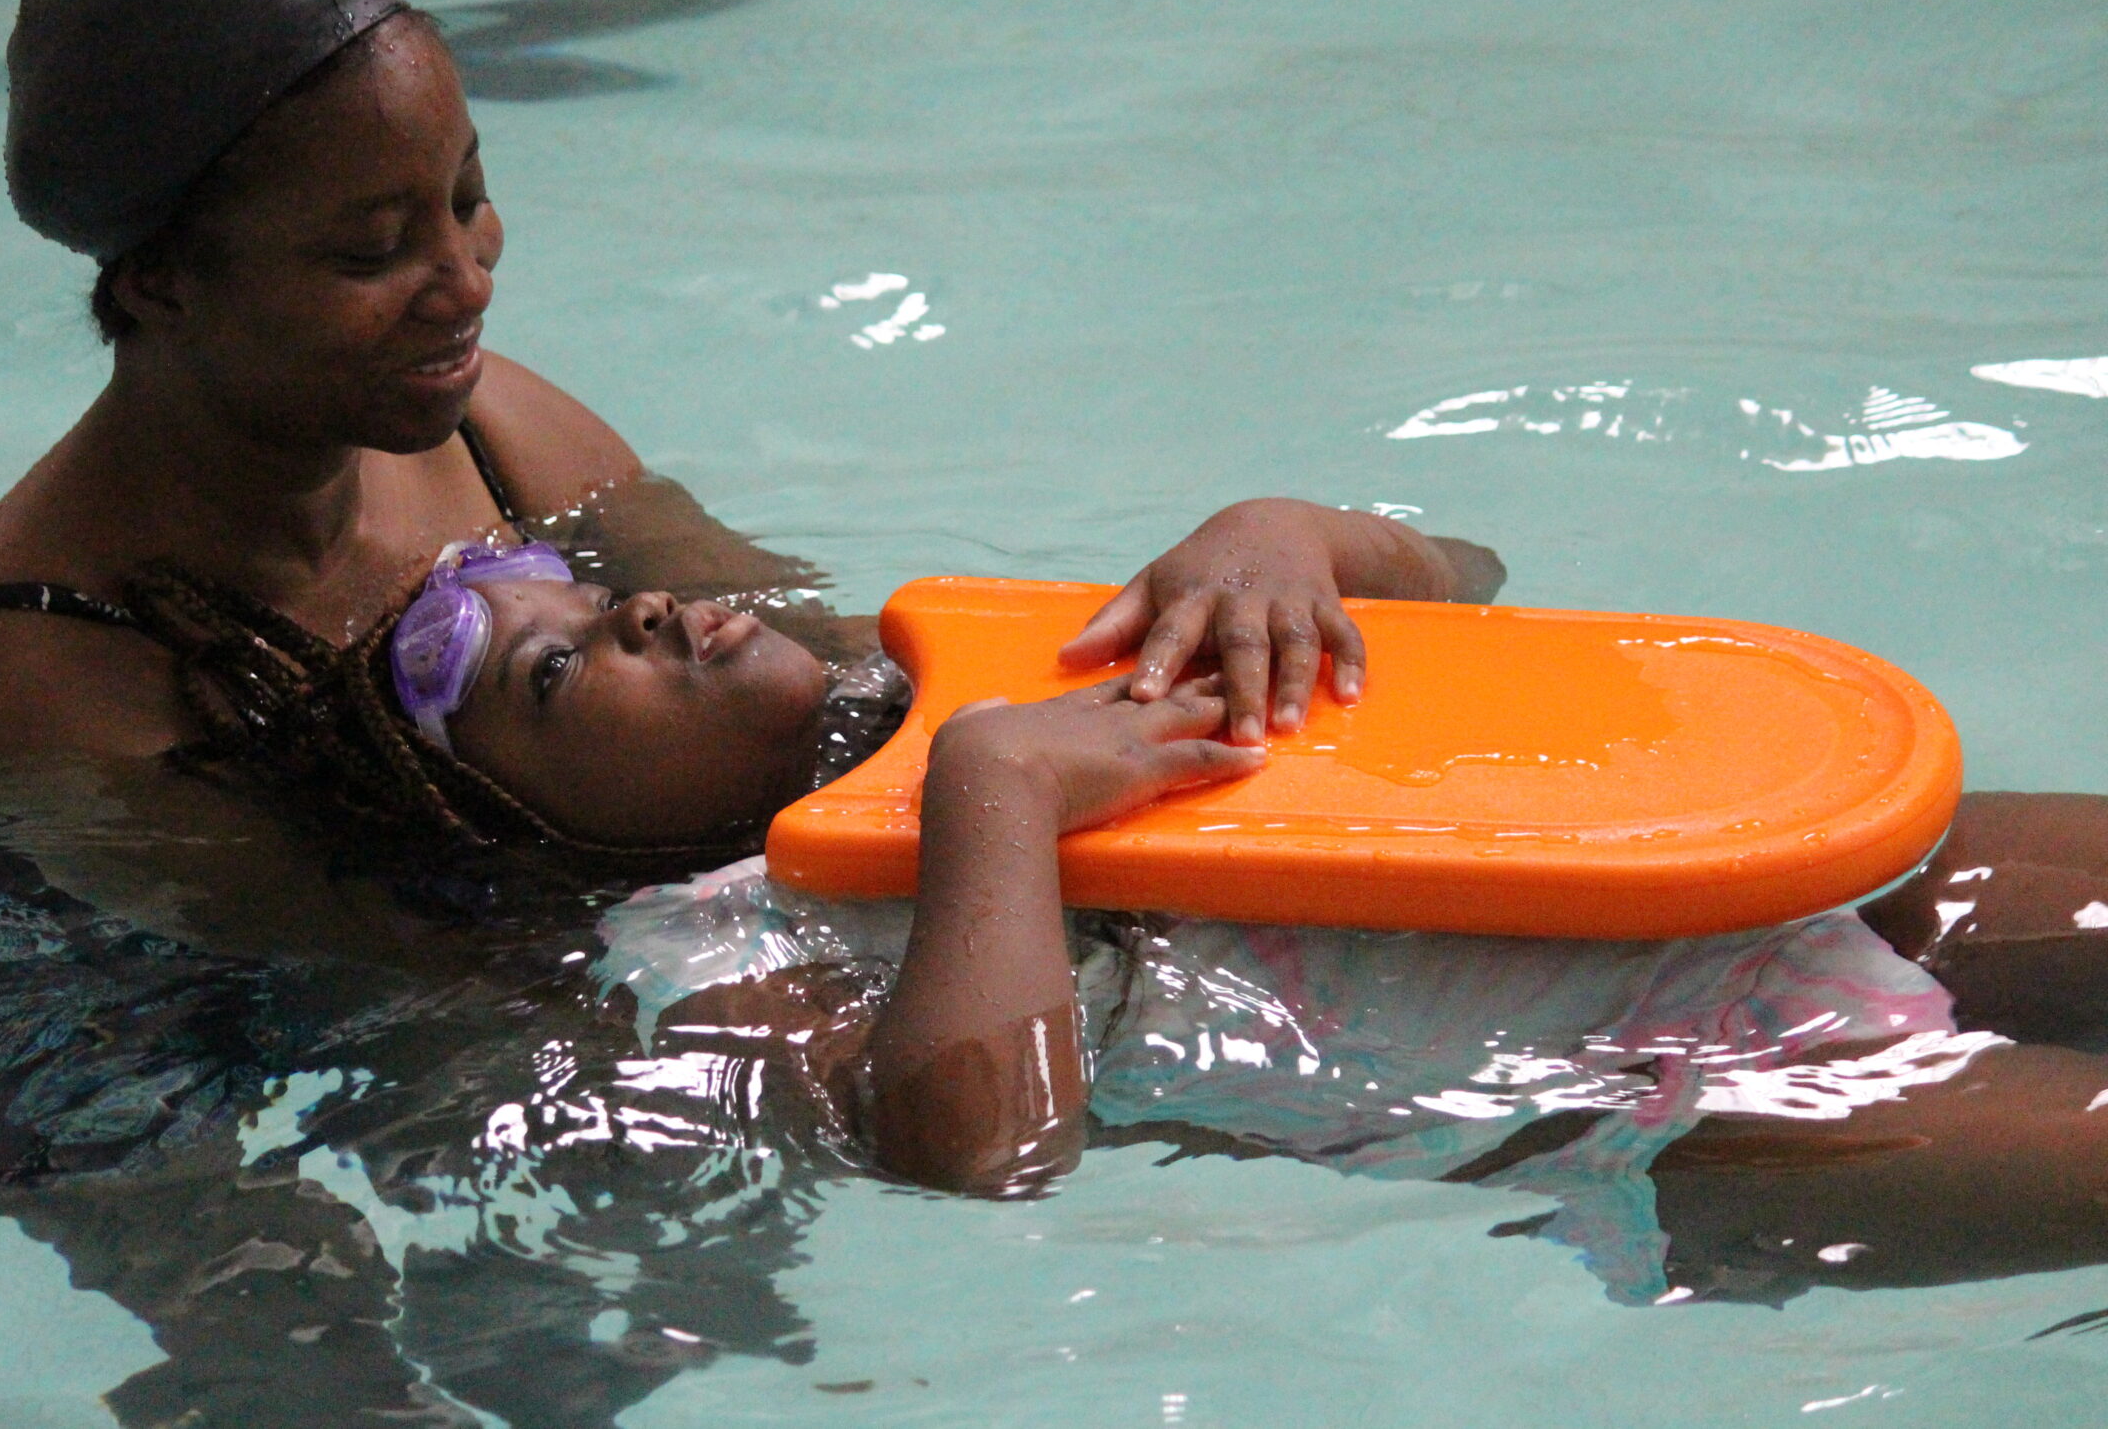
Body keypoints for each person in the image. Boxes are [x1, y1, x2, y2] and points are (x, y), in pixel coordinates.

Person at [0, 0, 1501, 840]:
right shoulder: (38, 686)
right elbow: (397, 999)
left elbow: (849, 687)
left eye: (467, 199)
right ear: (159, 282)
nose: (463, 282)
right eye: (371, 251)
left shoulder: (489, 434)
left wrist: (1269, 552)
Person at [341, 543, 2108, 1307]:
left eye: (599, 596)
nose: (646, 609)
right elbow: (986, 1151)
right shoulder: (707, 961)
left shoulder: (965, 661)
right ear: (526, 826)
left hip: (1781, 867)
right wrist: (997, 801)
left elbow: (1470, 601)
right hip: (1660, 1110)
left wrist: (1297, 536)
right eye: (558, 674)